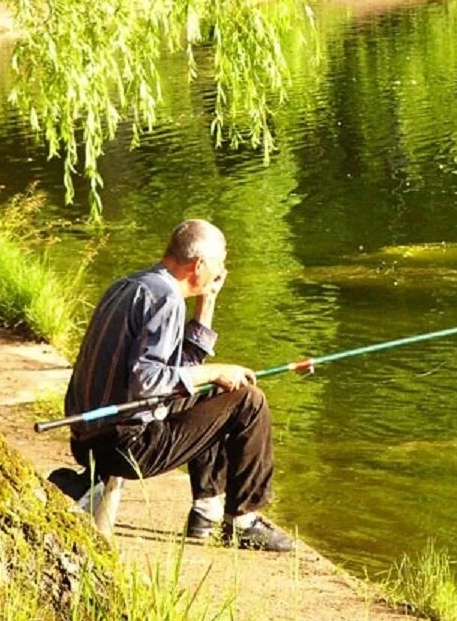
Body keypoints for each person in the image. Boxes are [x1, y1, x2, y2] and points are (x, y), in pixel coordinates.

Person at [64, 219, 294, 551]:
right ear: (198, 264)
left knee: (215, 394)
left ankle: (207, 511)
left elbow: (179, 374)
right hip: (124, 447)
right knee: (248, 401)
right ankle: (243, 521)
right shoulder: (167, 298)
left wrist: (207, 302)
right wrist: (216, 371)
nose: (221, 271)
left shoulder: (130, 284)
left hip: (87, 439)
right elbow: (149, 380)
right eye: (219, 264)